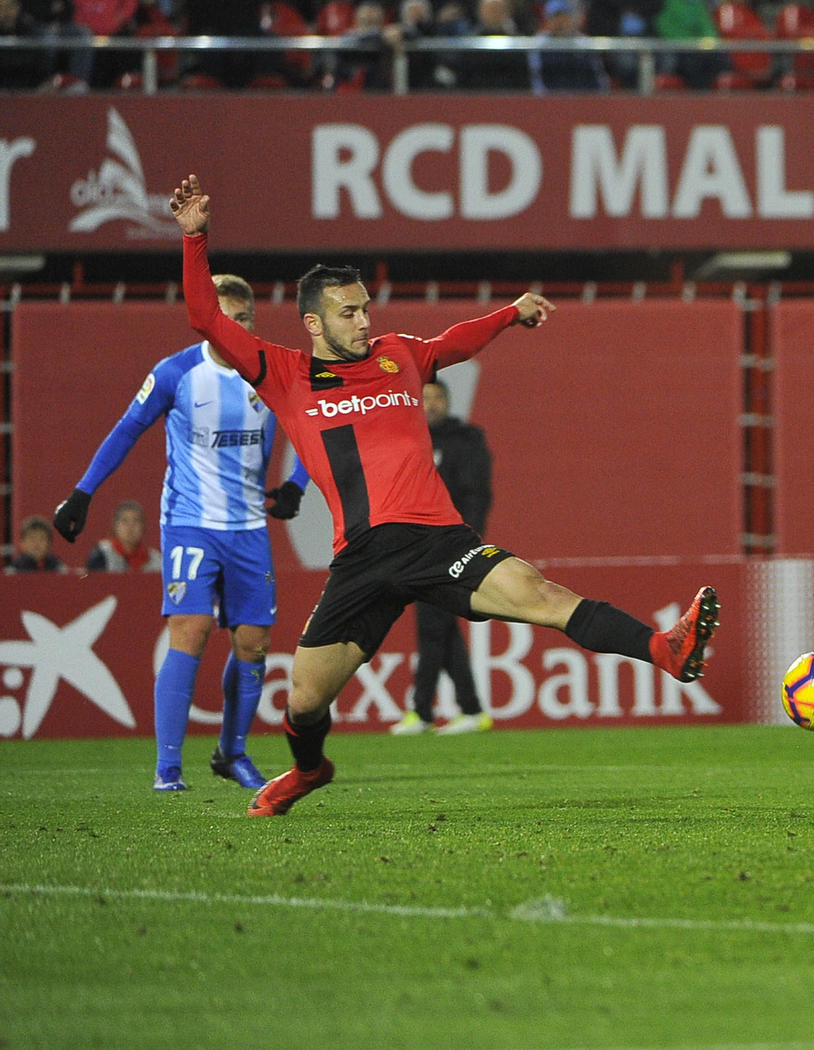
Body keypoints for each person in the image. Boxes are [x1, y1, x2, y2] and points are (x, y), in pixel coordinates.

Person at [169, 174, 719, 818]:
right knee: (305, 702)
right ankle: (309, 771)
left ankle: (665, 649)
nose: (364, 321)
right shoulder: (284, 373)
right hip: (362, 560)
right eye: (348, 313)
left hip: (437, 540)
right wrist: (195, 239)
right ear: (313, 322)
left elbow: (451, 343)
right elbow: (205, 317)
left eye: (365, 308)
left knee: (540, 593)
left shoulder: (397, 355)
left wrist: (509, 314)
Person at [54, 274, 309, 793]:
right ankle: (167, 768)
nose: (236, 329)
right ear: (207, 322)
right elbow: (127, 429)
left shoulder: (272, 369)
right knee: (190, 630)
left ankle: (231, 753)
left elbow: (312, 427)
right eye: (225, 320)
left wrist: (296, 486)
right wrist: (83, 493)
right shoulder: (176, 372)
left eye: (244, 320)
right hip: (190, 522)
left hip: (248, 526)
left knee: (254, 644)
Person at [391, 380, 496, 735]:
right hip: (417, 546)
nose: (432, 404)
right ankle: (471, 709)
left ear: (448, 402)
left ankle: (421, 711)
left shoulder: (465, 441)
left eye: (438, 398)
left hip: (451, 546)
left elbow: (477, 495)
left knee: (432, 626)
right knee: (442, 626)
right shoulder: (407, 440)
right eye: (425, 398)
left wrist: (468, 540)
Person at [528, 0, 608, 92]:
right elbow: (537, 80)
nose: (560, 22)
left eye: (564, 17)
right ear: (547, 21)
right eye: (555, 17)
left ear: (571, 19)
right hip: (551, 98)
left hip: (582, 97)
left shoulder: (584, 43)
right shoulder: (538, 44)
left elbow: (598, 79)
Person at [84, 500, 162, 574]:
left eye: (135, 521)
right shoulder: (102, 554)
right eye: (124, 521)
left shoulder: (156, 560)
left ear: (143, 527)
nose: (130, 527)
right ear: (115, 526)